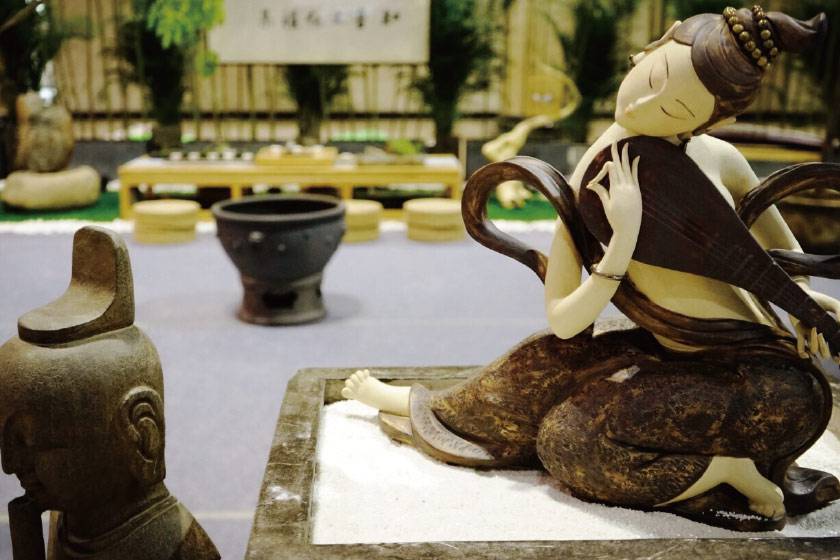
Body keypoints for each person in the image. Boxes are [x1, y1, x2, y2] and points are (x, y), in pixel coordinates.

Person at [343, 6, 840, 531]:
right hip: (679, 357)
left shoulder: (720, 159)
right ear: (651, 48)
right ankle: (428, 407)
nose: (642, 105)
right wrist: (620, 244)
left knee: (569, 443)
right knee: (541, 360)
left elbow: (786, 255)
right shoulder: (594, 178)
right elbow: (565, 322)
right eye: (651, 79)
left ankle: (727, 469)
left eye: (674, 110)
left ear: (712, 121)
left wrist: (804, 303)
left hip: (769, 387)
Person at [0, 227, 219, 560]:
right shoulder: (66, 519)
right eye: (6, 442)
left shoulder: (173, 545)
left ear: (142, 435)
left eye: (31, 442)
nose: (10, 465)